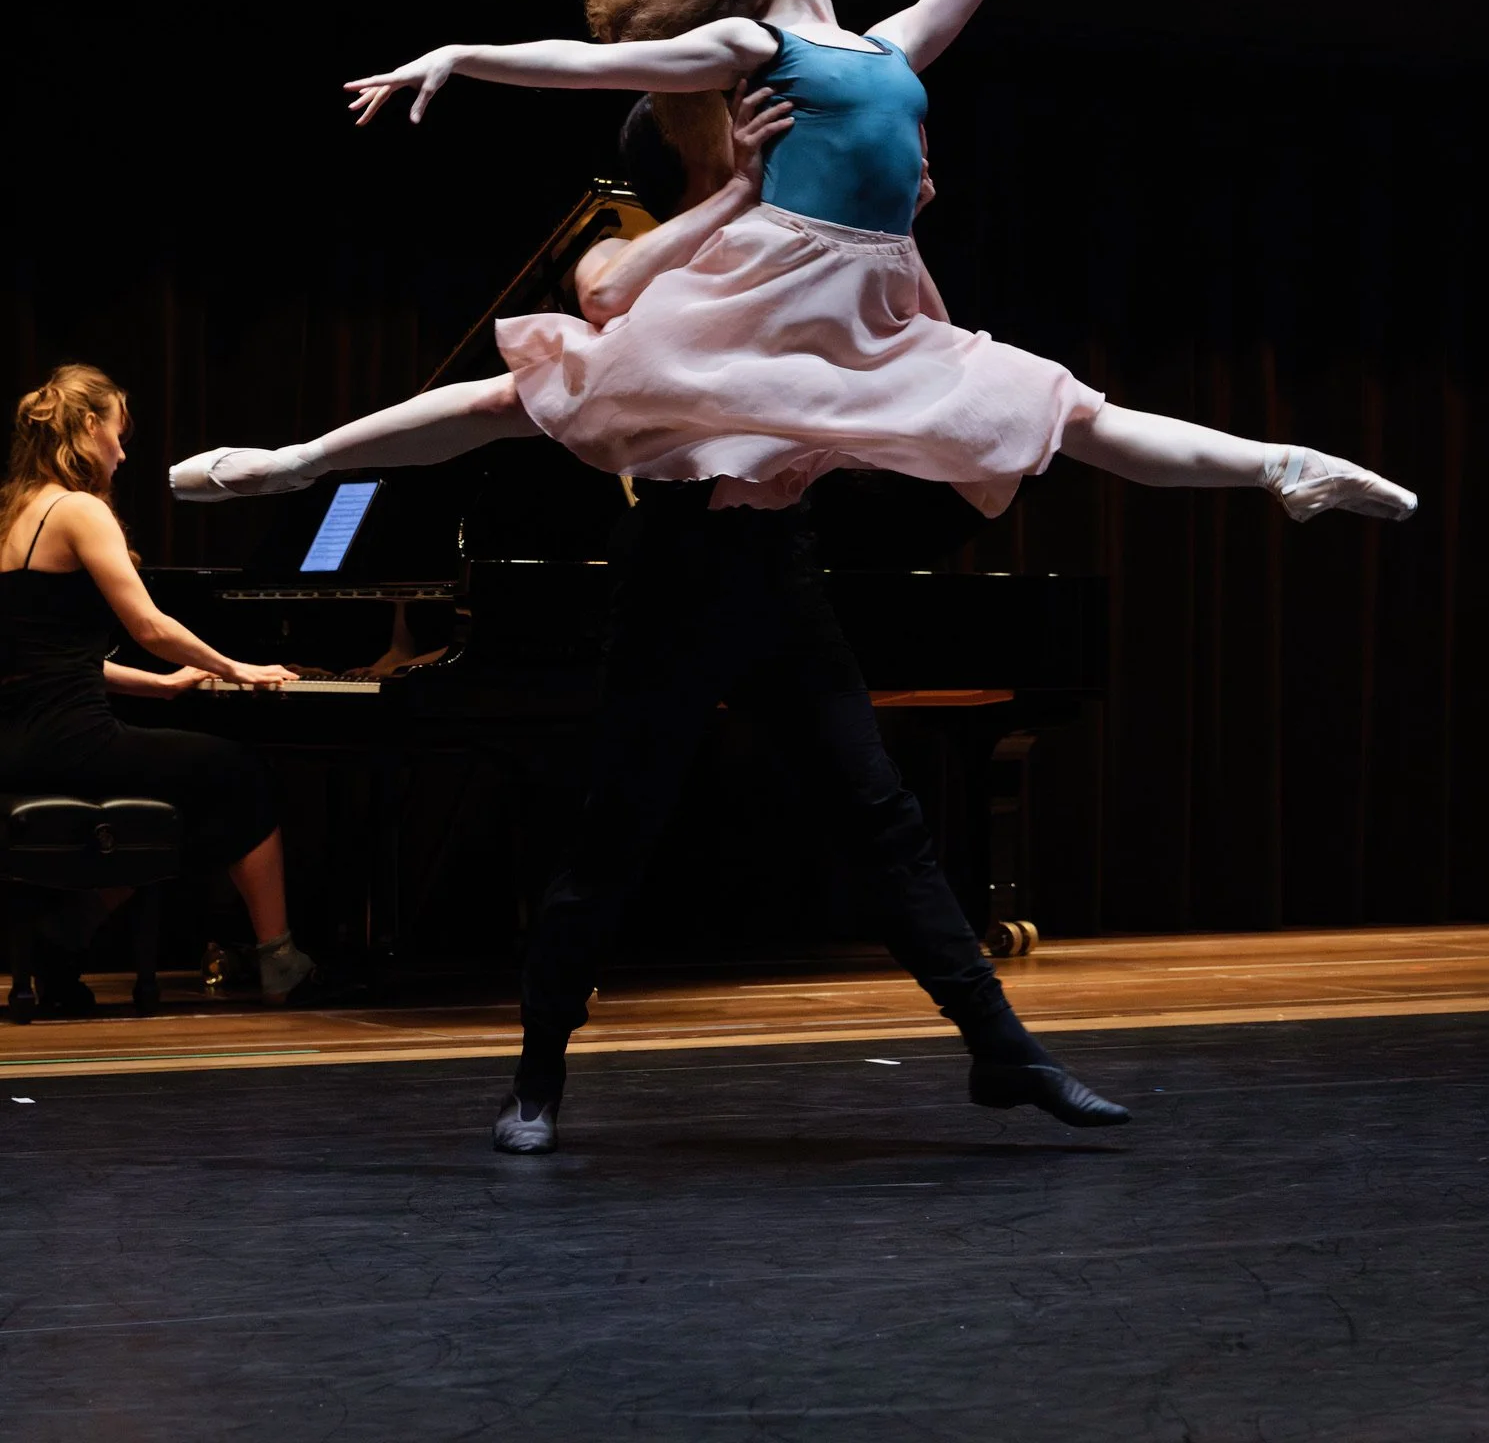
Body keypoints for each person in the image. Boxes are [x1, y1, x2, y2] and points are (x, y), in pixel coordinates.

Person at [171, 97, 1135, 1148]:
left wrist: (895, 224)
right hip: (676, 565)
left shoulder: (783, 247)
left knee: (880, 816)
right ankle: (536, 1076)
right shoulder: (623, 254)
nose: (753, 118)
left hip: (782, 565)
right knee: (616, 826)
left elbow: (924, 353)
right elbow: (518, 382)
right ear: (685, 147)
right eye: (724, 119)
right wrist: (297, 461)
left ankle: (1001, 1046)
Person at [301, 0, 1406, 527]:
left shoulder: (889, 45)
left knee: (1059, 409)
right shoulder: (755, 42)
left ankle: (1280, 466)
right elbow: (578, 67)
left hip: (875, 285)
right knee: (536, 389)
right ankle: (299, 464)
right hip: (781, 271)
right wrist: (458, 51)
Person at [0, 366, 317, 1002]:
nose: (122, 449)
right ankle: (279, 958)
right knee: (239, 773)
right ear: (90, 427)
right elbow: (148, 624)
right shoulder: (79, 508)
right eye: (120, 431)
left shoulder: (13, 513)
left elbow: (53, 661)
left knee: (191, 795)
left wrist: (164, 688)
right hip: (72, 740)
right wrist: (238, 668)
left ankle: (71, 931)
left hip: (18, 740)